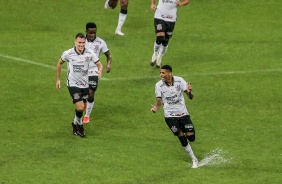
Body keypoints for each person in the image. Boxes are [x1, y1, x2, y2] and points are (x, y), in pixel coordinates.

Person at [56, 33, 103, 137]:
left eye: (83, 42)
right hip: (73, 85)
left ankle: (74, 123)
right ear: (75, 42)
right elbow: (59, 63)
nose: (81, 44)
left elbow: (99, 64)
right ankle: (80, 126)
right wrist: (58, 79)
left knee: (82, 107)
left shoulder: (89, 53)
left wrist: (100, 70)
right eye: (79, 42)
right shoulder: (68, 53)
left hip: (85, 84)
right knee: (81, 107)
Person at [151, 65, 198, 168]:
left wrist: (190, 92)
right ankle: (194, 159)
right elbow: (158, 102)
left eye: (163, 73)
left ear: (169, 73)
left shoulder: (180, 81)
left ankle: (188, 140)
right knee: (180, 135)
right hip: (170, 116)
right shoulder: (159, 85)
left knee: (191, 137)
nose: (161, 75)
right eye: (160, 73)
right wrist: (156, 108)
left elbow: (190, 97)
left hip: (183, 113)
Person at [83, 22, 112, 124]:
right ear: (86, 31)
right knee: (83, 93)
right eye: (90, 33)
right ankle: (84, 100)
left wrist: (108, 65)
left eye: (94, 33)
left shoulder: (100, 42)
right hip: (82, 70)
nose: (92, 35)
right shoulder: (81, 41)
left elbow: (108, 55)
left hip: (94, 69)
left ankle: (87, 115)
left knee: (91, 93)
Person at [150, 0, 189, 68]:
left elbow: (187, 1)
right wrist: (152, 4)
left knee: (165, 40)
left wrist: (181, 3)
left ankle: (160, 57)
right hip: (159, 17)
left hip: (171, 19)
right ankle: (155, 53)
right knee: (160, 36)